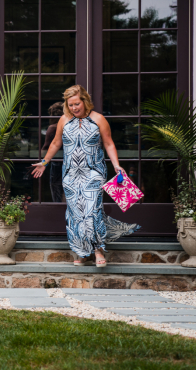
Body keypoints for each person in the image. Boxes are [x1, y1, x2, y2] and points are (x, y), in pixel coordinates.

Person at [31, 85, 140, 267]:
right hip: (70, 174)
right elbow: (56, 143)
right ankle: (82, 252)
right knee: (76, 213)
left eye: (77, 104)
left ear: (85, 101)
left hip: (94, 172)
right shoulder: (64, 121)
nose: (74, 108)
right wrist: (45, 162)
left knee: (91, 211)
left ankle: (97, 250)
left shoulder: (98, 119)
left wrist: (116, 165)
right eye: (70, 105)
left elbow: (109, 143)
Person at [43, 102, 65, 203]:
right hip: (72, 162)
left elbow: (46, 148)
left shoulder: (52, 128)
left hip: (57, 163)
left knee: (57, 192)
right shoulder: (70, 125)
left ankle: (59, 213)